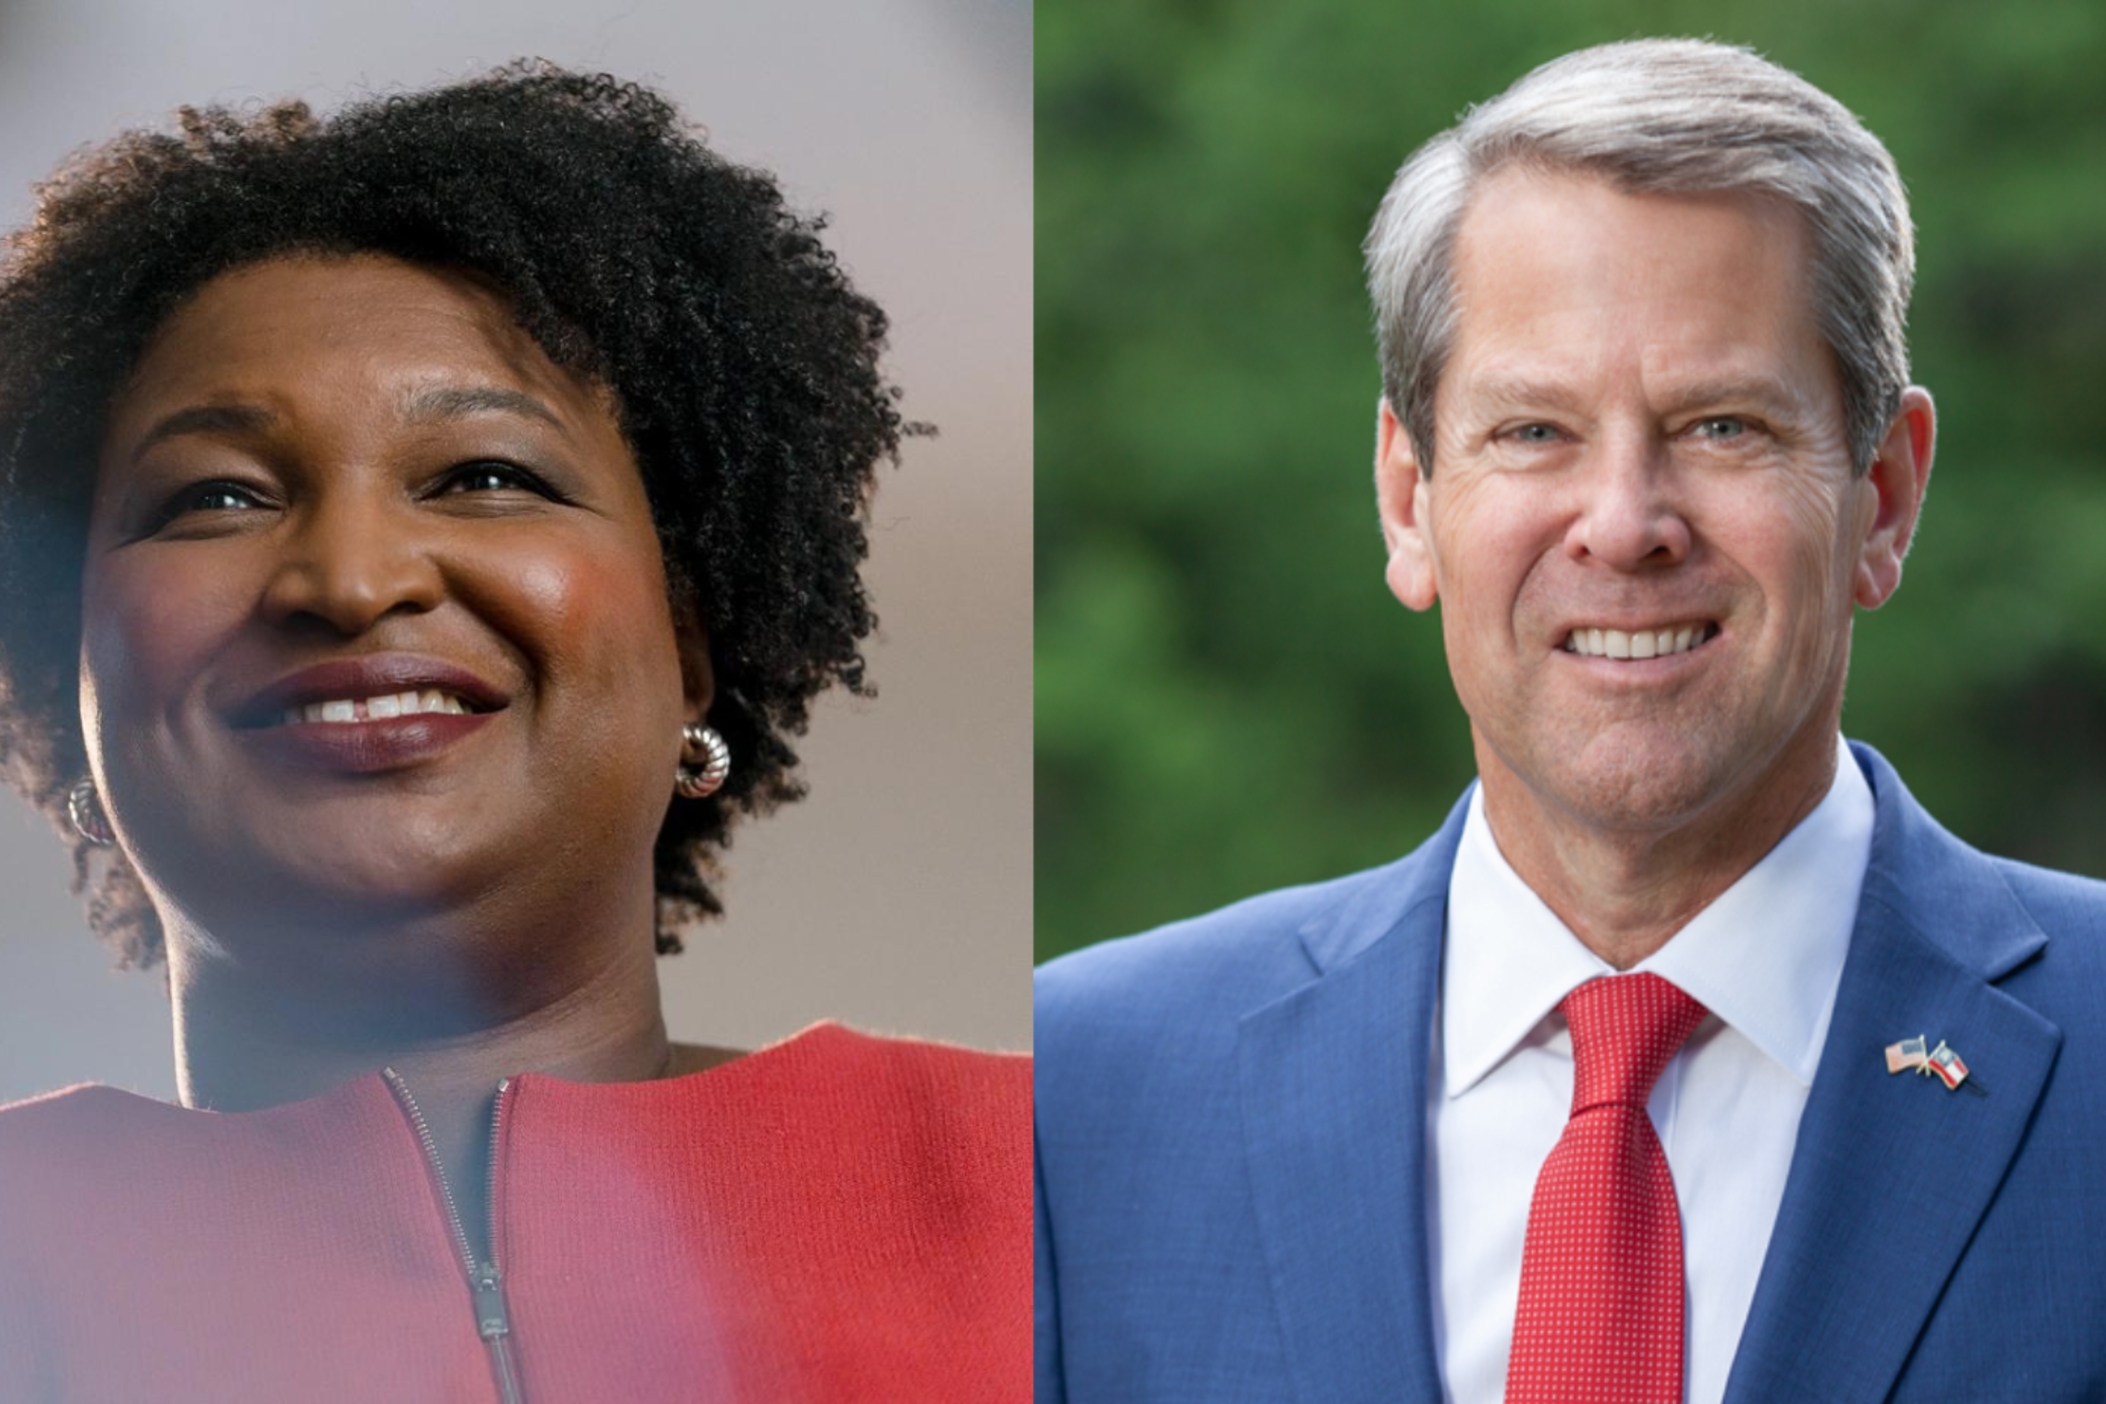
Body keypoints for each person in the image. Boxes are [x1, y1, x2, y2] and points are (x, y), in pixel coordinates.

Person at [1035, 38, 2106, 1404]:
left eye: (1720, 426)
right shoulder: (1085, 1103)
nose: (1622, 524)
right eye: (1533, 431)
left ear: (1882, 497)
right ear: (1408, 498)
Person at [0, 64, 1029, 1402]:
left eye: (487, 477)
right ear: (61, 679)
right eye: (217, 496)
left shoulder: (1074, 1181)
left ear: (692, 652)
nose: (354, 580)